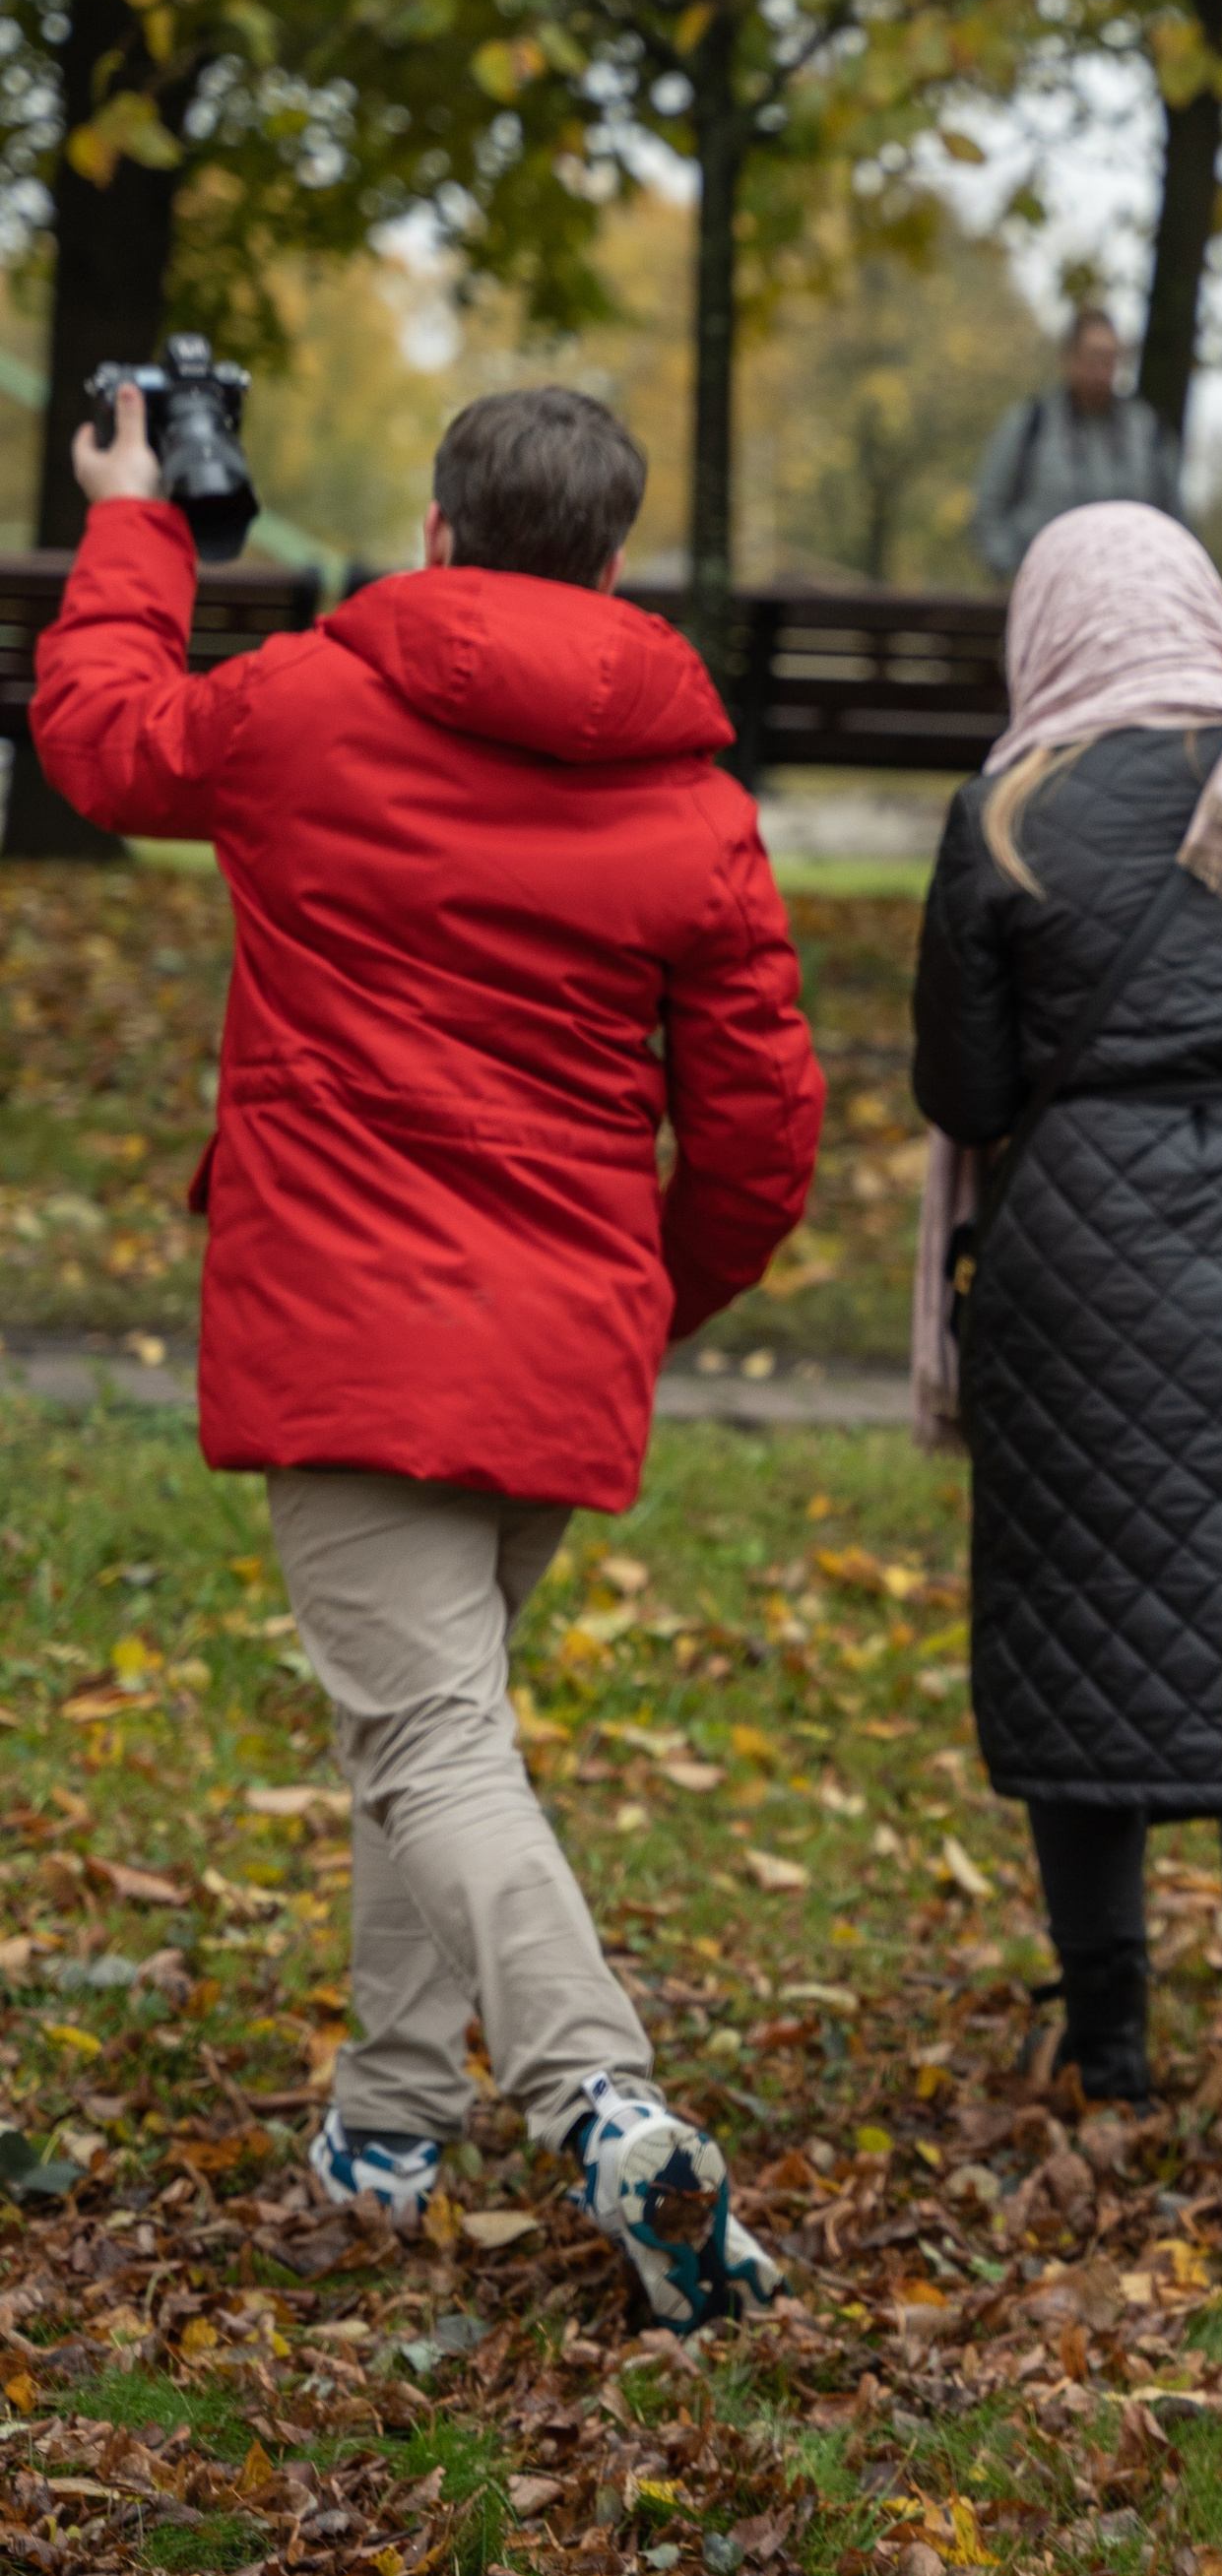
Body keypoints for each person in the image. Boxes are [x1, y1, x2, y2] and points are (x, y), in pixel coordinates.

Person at [34, 384, 825, 2330]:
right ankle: (388, 2122)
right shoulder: (696, 808)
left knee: (427, 1738)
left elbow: (100, 745)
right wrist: (644, 1296)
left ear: (438, 526)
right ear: (615, 557)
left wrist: (137, 524)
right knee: (438, 1721)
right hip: (551, 1338)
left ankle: (595, 2095)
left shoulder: (304, 705)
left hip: (352, 1330)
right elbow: (761, 1135)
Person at [910, 500, 1222, 2233]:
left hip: (1074, 1278)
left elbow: (962, 1092)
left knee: (1081, 1646)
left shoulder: (1009, 813)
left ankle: (1109, 2049)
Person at [970, 303, 1182, 580]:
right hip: (1046, 592)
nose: (1101, 369)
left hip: (1130, 591)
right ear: (1069, 359)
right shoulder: (1032, 423)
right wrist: (1015, 573)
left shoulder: (1147, 430)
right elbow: (987, 510)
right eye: (1093, 356)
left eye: (1110, 358)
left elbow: (1175, 520)